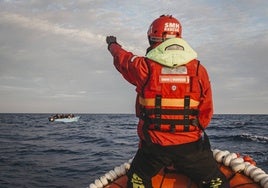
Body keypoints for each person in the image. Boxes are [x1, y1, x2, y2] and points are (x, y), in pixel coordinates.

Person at [106, 15, 229, 188]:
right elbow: (206, 112)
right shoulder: (199, 70)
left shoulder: (144, 67)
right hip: (190, 148)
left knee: (136, 179)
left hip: (154, 148)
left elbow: (123, 60)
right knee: (217, 182)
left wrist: (112, 45)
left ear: (152, 37)